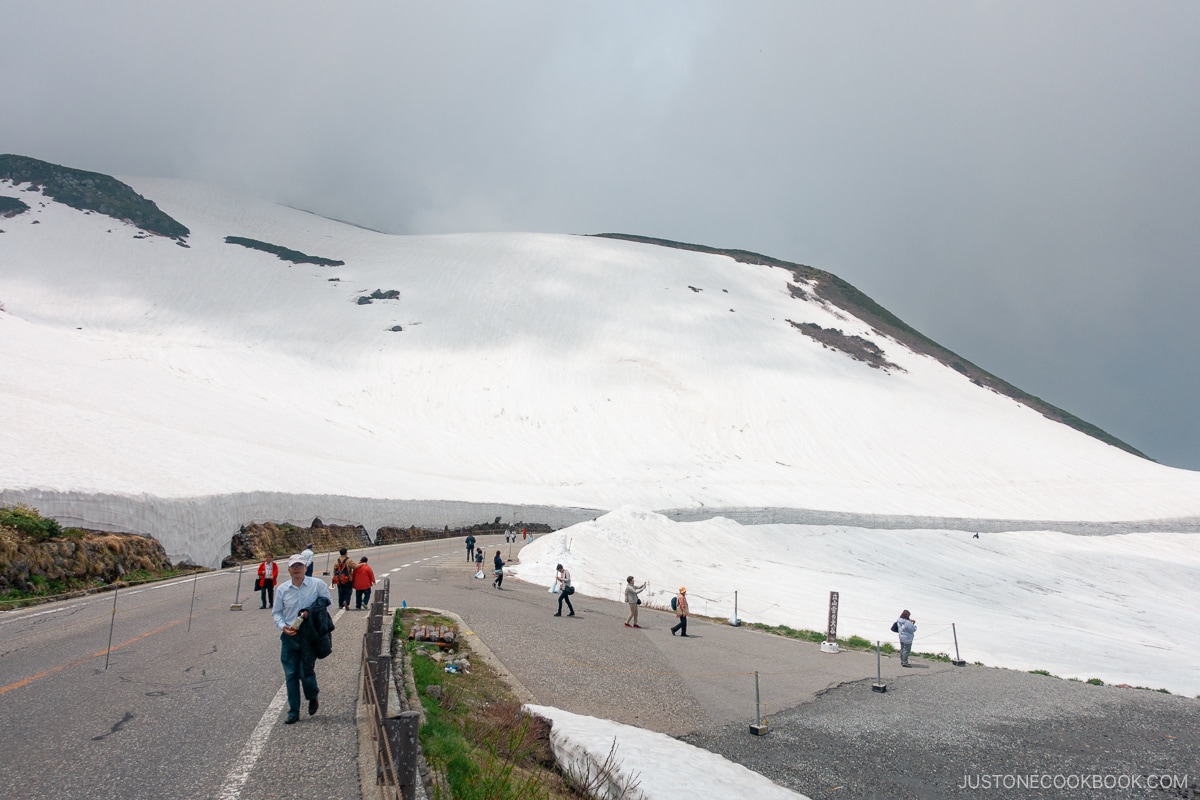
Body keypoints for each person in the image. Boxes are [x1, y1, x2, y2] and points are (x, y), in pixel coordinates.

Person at [273, 554, 334, 724]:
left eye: (300, 566)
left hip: (310, 636)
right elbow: (276, 612)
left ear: (306, 568)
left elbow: (329, 602)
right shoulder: (283, 589)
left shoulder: (317, 585)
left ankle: (312, 694)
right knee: (291, 674)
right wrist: (282, 626)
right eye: (294, 566)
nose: (297, 569)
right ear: (289, 570)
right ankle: (293, 711)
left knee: (305, 672)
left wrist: (312, 610)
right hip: (290, 635)